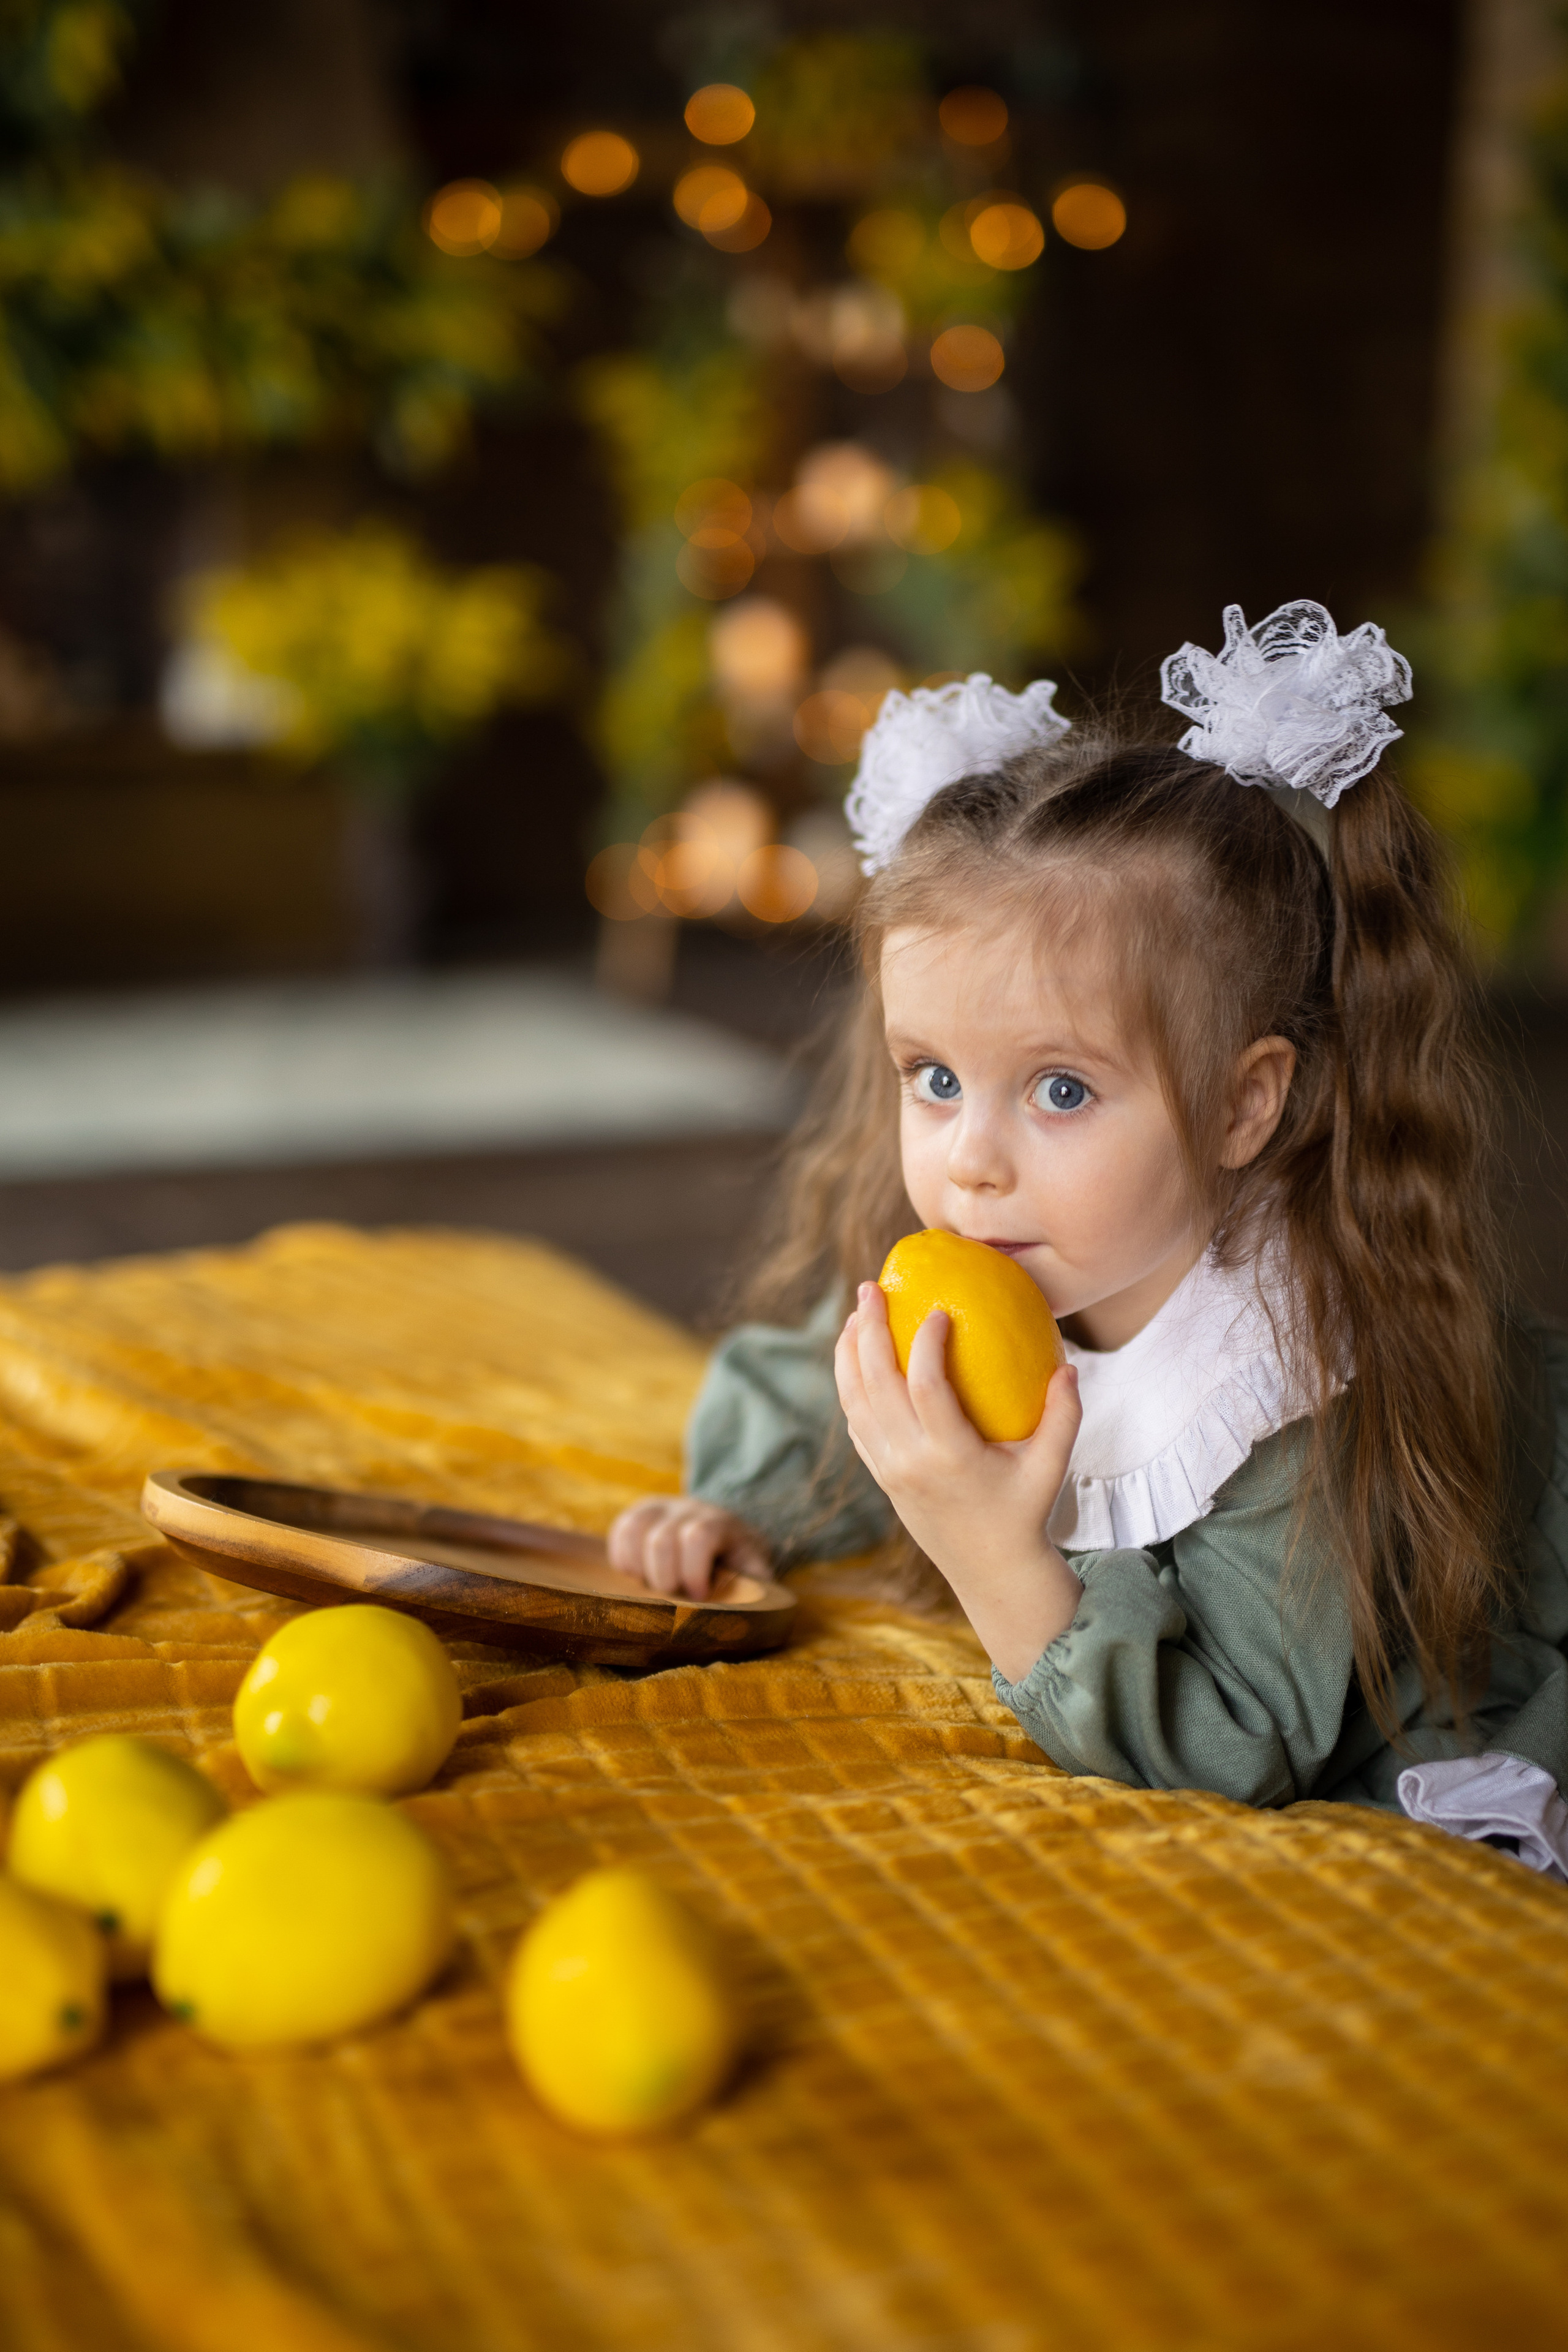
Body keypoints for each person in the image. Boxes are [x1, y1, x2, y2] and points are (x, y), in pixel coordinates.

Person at [608, 600, 1568, 1874]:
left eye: (1059, 1090)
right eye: (931, 1078)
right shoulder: (1027, 1248)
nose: (968, 1158)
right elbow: (824, 1385)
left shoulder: (1283, 1381)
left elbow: (1236, 1746)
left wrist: (993, 1557)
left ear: (1242, 1103)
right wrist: (728, 1507)